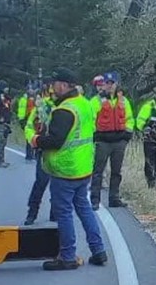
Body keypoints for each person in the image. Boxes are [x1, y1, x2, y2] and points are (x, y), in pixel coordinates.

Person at [30, 68, 107, 270]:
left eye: (55, 84)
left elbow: (55, 140)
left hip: (65, 169)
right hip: (83, 167)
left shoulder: (64, 110)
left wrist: (36, 139)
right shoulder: (84, 104)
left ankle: (67, 256)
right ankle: (98, 251)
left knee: (63, 212)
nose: (52, 87)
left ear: (64, 85)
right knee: (84, 208)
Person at [91, 74, 133, 207]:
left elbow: (130, 119)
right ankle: (95, 200)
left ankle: (114, 198)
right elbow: (91, 120)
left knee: (116, 172)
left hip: (119, 141)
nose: (109, 85)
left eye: (112, 83)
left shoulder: (123, 101)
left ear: (116, 84)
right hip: (102, 141)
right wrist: (94, 137)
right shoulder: (96, 101)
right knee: (98, 171)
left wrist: (127, 136)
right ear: (103, 85)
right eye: (107, 83)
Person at [24, 84, 57, 225]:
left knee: (58, 185)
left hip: (61, 151)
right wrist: (34, 139)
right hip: (44, 150)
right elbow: (29, 126)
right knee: (41, 182)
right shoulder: (41, 107)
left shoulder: (67, 107)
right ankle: (32, 212)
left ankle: (55, 213)